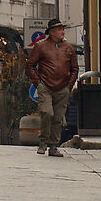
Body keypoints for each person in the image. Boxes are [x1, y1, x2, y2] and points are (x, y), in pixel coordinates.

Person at [25, 21, 79, 156]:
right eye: (60, 29)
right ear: (52, 32)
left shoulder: (69, 48)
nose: (63, 32)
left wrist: (69, 86)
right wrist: (38, 83)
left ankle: (53, 146)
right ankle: (43, 142)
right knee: (47, 113)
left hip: (62, 88)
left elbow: (75, 69)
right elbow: (30, 65)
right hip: (46, 86)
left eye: (63, 29)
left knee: (58, 118)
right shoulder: (41, 46)